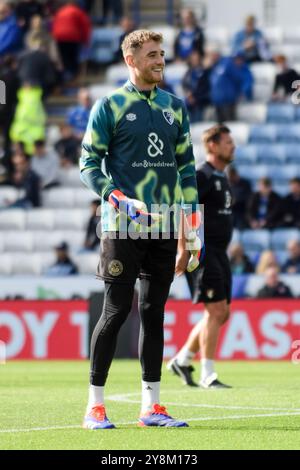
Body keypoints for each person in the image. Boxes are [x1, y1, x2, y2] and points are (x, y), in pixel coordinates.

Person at [80, 29, 200, 429]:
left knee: (154, 313)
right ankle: (95, 406)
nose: (159, 60)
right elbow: (88, 164)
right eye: (151, 55)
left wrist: (191, 233)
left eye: (161, 54)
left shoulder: (175, 107)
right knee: (115, 311)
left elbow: (186, 172)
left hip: (166, 226)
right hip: (122, 225)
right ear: (131, 60)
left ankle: (152, 407)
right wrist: (116, 197)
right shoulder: (110, 105)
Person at [168, 125, 234, 389]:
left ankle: (182, 360)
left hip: (220, 253)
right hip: (203, 252)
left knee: (222, 313)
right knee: (215, 310)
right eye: (228, 142)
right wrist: (183, 248)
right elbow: (185, 210)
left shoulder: (222, 176)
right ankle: (208, 373)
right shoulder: (202, 176)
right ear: (213, 146)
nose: (233, 146)